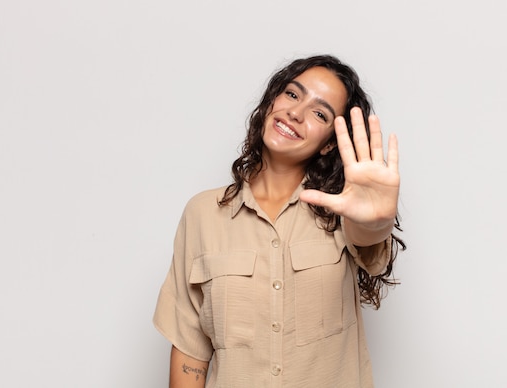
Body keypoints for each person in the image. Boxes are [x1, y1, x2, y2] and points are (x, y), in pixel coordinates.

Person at [153, 54, 405, 387]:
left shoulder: (344, 211)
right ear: (272, 99)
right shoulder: (202, 213)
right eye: (292, 94)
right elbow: (189, 350)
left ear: (330, 142)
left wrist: (377, 221)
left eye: (319, 113)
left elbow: (370, 239)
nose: (296, 113)